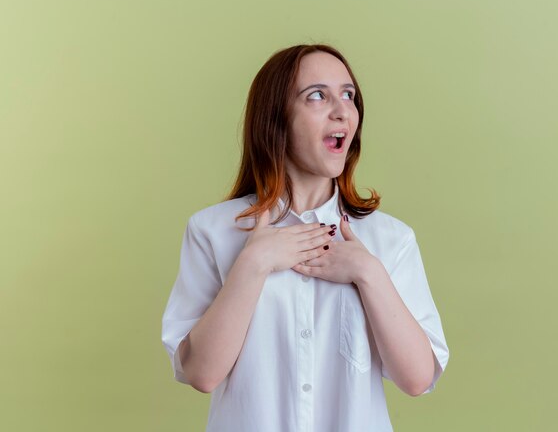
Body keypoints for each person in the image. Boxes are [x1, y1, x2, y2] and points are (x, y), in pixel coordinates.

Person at [161, 43, 449, 432]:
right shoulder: (212, 231)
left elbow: (417, 379)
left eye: (349, 95)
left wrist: (368, 273)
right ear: (276, 119)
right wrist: (253, 263)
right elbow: (201, 374)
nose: (342, 109)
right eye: (317, 96)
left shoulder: (390, 239)